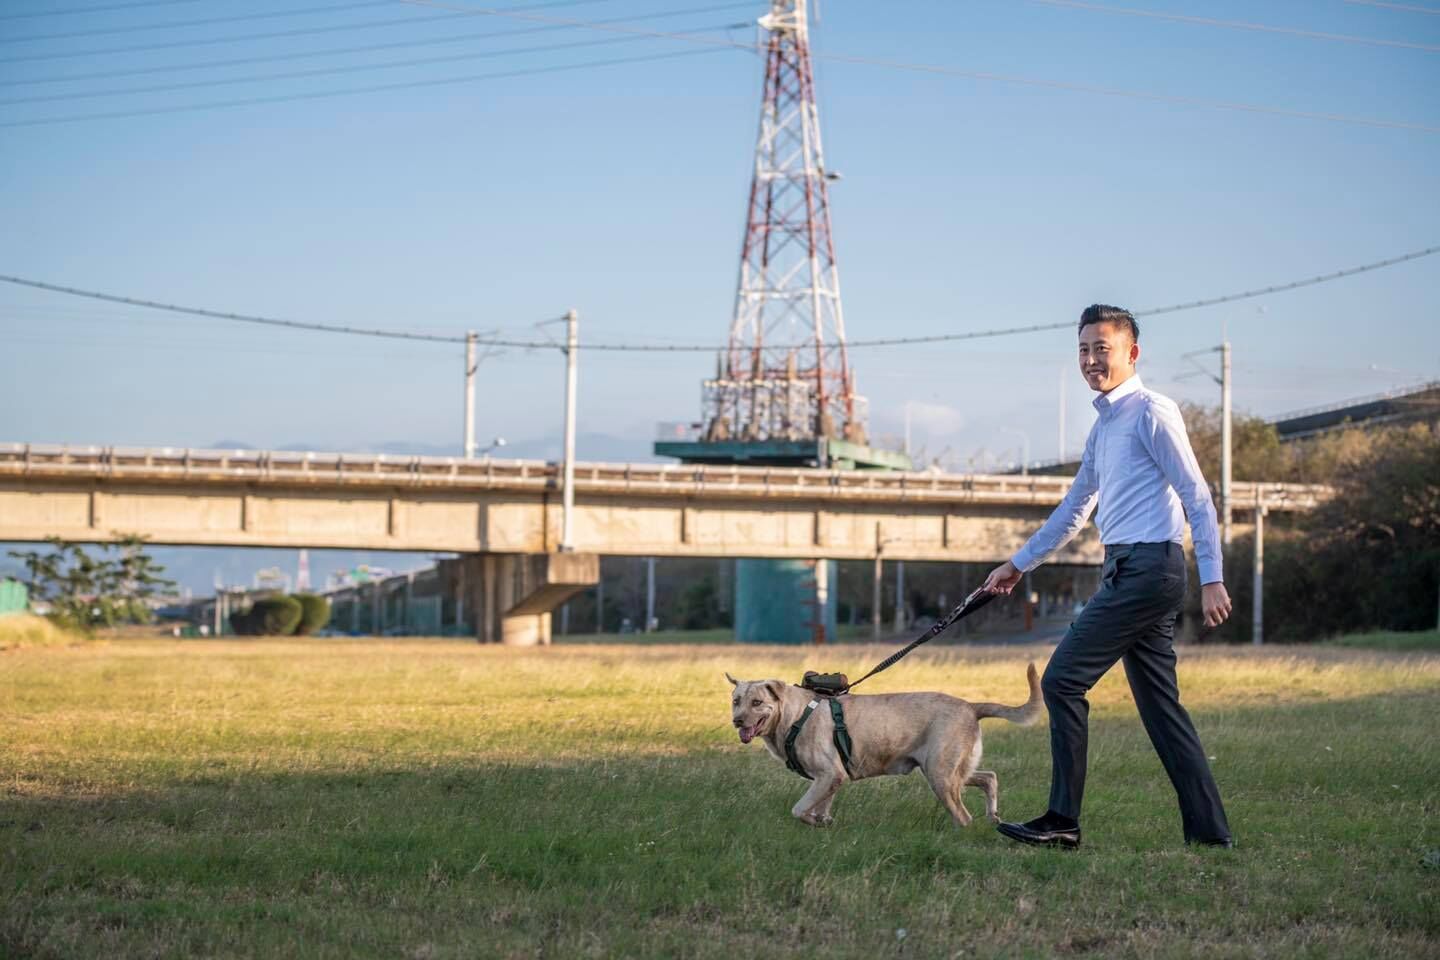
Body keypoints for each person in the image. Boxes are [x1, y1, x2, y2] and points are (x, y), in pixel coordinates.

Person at [982, 304, 1233, 849]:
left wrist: (1211, 576)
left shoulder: (1151, 411)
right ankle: (1212, 836)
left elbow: (1196, 493)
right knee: (1162, 710)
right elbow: (1076, 507)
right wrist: (1017, 564)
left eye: (1103, 348)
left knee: (1061, 680)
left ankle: (1062, 821)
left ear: (1131, 353)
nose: (1092, 359)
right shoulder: (1105, 426)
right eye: (1084, 349)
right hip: (1127, 565)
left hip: (1150, 568)